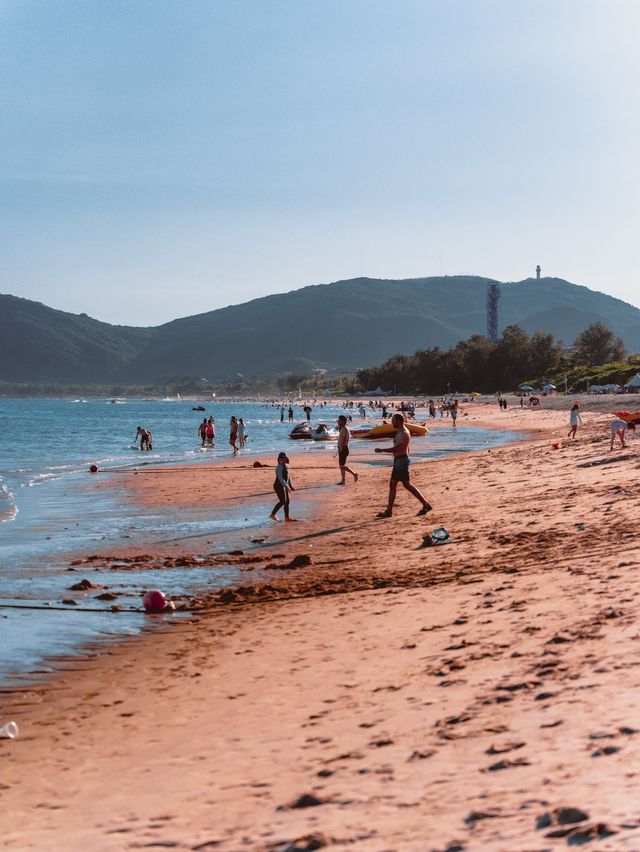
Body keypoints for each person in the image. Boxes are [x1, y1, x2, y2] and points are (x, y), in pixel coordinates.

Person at [374, 413, 432, 518]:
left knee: (403, 485)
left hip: (401, 462)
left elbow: (399, 448)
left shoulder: (404, 433)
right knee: (399, 485)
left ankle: (425, 505)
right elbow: (406, 448)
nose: (391, 422)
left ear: (398, 421)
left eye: (393, 420)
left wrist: (382, 450)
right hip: (400, 461)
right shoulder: (400, 432)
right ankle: (390, 511)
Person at [269, 452, 297, 522]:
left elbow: (288, 477)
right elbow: (281, 479)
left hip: (284, 486)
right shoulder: (278, 467)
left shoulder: (287, 466)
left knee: (287, 501)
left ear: (286, 459)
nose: (283, 461)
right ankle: (272, 515)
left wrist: (290, 486)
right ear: (278, 460)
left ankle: (287, 518)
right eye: (281, 460)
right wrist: (287, 487)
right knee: (282, 501)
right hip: (278, 486)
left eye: (284, 459)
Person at [336, 415, 358, 485]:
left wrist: (341, 449)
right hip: (342, 448)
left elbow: (343, 440)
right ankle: (343, 480)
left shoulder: (344, 429)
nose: (338, 422)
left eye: (339, 421)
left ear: (342, 421)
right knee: (341, 466)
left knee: (341, 466)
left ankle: (354, 473)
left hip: (343, 449)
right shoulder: (343, 428)